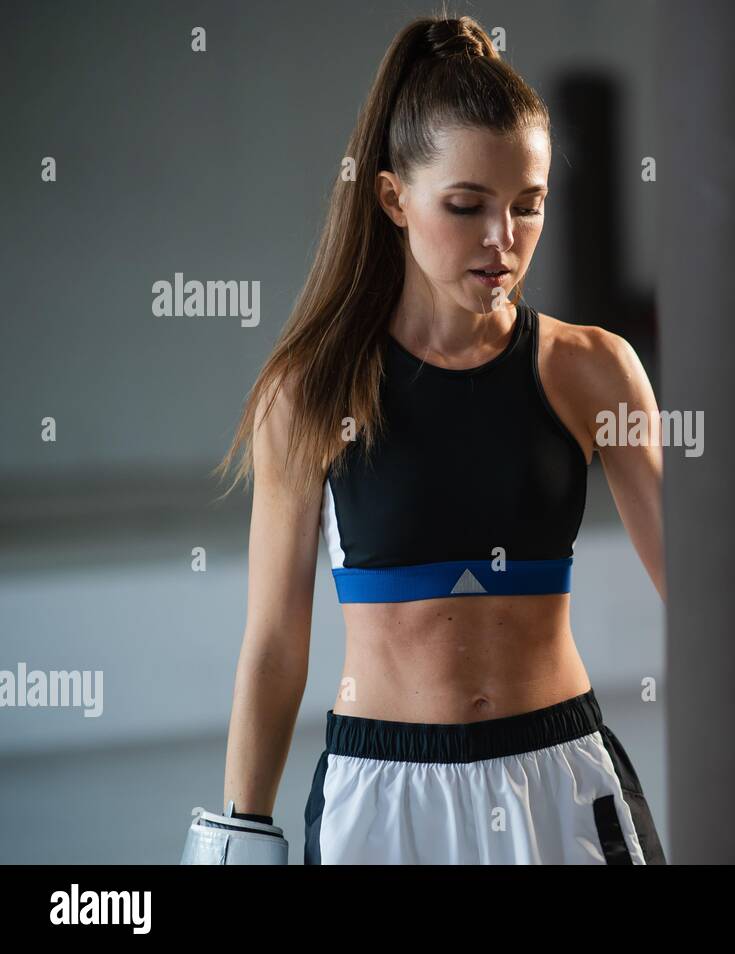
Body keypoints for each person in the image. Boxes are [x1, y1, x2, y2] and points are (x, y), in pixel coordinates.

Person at [211, 11, 666, 864]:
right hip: (380, 801)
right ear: (393, 198)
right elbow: (275, 642)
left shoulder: (593, 370)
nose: (503, 241)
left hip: (561, 787)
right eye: (467, 206)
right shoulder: (311, 389)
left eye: (528, 207)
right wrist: (239, 830)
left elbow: (704, 595)